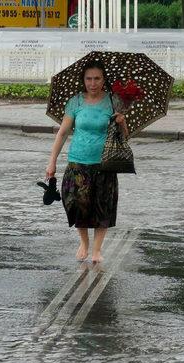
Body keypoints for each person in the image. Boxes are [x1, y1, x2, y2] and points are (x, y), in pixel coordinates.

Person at [45, 60, 128, 264]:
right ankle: (84, 242)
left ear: (103, 79)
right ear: (83, 80)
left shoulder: (113, 101)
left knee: (103, 205)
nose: (93, 83)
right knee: (76, 204)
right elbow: (63, 132)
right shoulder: (75, 102)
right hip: (77, 160)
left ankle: (97, 250)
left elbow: (124, 138)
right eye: (88, 78)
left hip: (104, 162)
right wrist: (52, 161)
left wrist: (122, 122)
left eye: (97, 78)